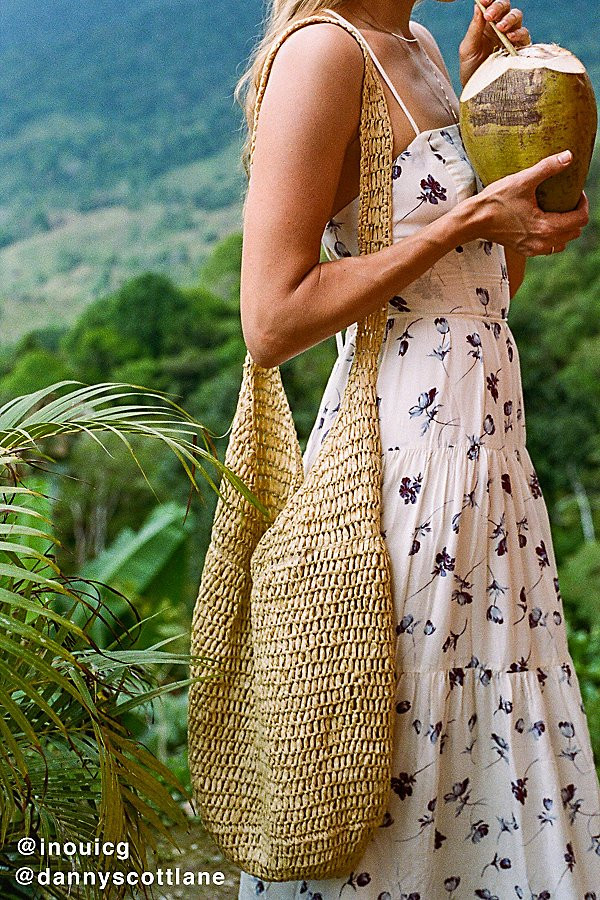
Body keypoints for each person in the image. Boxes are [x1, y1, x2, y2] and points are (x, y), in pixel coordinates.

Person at [235, 0, 599, 896]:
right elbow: (271, 319)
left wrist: (493, 114)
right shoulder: (326, 54)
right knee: (404, 741)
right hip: (401, 460)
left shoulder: (426, 47)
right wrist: (463, 221)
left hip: (488, 456)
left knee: (488, 750)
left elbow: (487, 282)